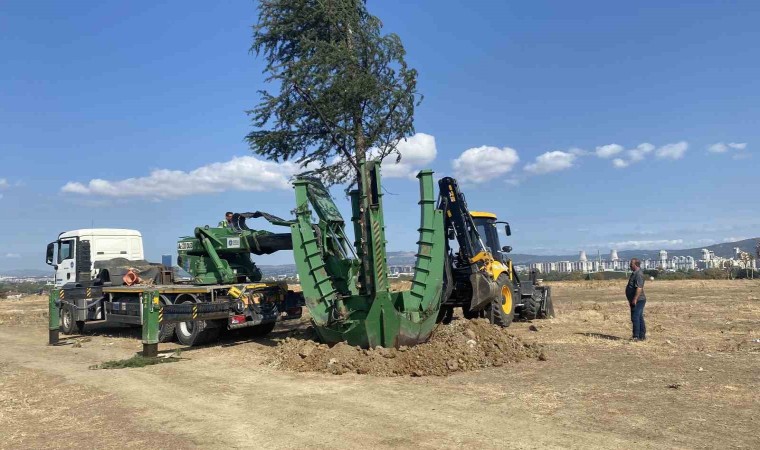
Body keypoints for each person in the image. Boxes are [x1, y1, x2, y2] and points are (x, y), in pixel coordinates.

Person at [626, 258, 646, 340]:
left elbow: (639, 288)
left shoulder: (639, 274)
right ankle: (642, 336)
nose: (630, 265)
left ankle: (636, 336)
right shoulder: (634, 273)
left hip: (638, 300)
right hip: (635, 300)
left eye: (631, 264)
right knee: (639, 317)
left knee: (635, 317)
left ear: (636, 265)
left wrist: (635, 299)